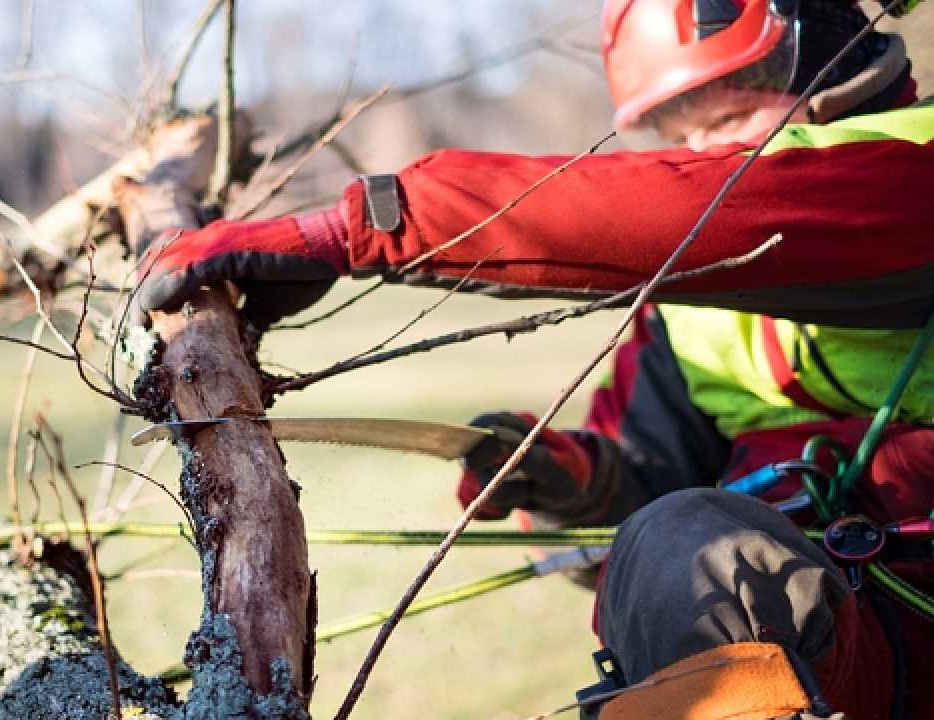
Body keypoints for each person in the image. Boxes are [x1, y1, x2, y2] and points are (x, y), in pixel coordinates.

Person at [136, 1, 933, 717]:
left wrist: (369, 227)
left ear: (812, 52)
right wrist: (574, 484)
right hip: (832, 650)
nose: (701, 153)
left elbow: (690, 205)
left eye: (722, 114)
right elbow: (654, 478)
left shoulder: (907, 171)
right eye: (680, 136)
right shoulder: (694, 307)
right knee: (677, 546)